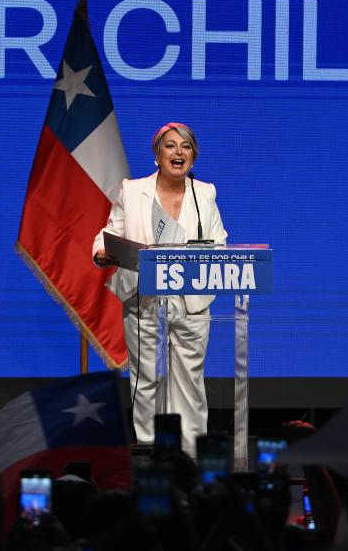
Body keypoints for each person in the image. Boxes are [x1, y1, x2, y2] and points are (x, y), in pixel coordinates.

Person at [92, 122, 227, 455]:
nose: (178, 152)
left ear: (193, 156)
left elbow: (220, 245)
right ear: (157, 155)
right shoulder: (132, 191)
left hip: (190, 301)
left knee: (189, 381)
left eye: (185, 146)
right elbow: (108, 234)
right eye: (170, 145)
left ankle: (190, 455)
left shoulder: (205, 193)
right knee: (146, 378)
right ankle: (148, 453)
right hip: (144, 297)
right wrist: (102, 252)